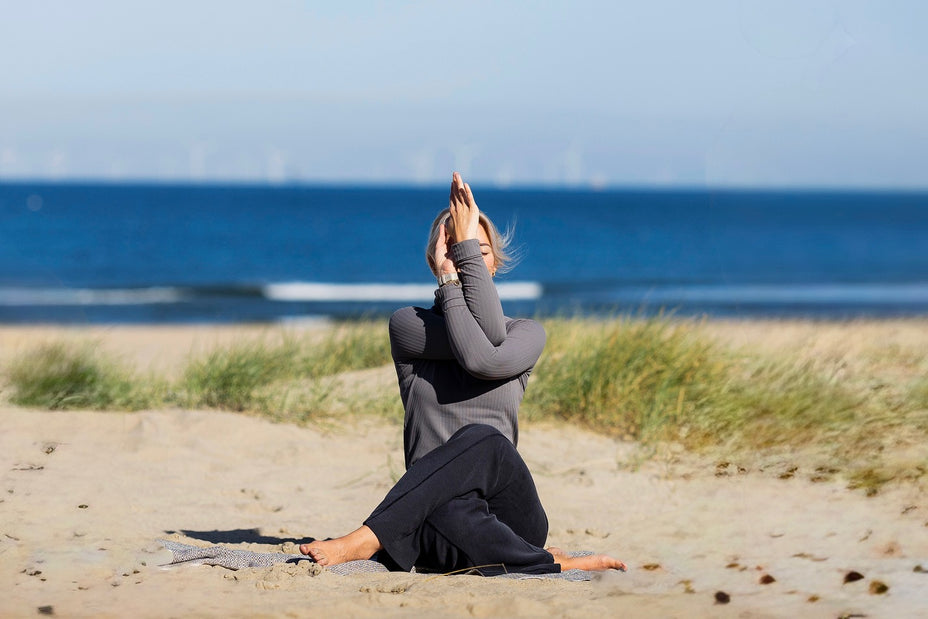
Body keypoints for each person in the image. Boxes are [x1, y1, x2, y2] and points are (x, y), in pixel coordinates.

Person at [300, 172, 625, 575]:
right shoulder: (409, 326)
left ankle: (367, 538)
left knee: (484, 439)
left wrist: (457, 272)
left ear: (494, 264)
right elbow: (478, 342)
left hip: (510, 514)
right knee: (444, 508)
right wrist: (453, 278)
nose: (466, 259)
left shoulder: (526, 334)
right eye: (455, 250)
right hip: (434, 514)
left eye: (478, 251)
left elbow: (482, 356)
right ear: (435, 261)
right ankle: (547, 562)